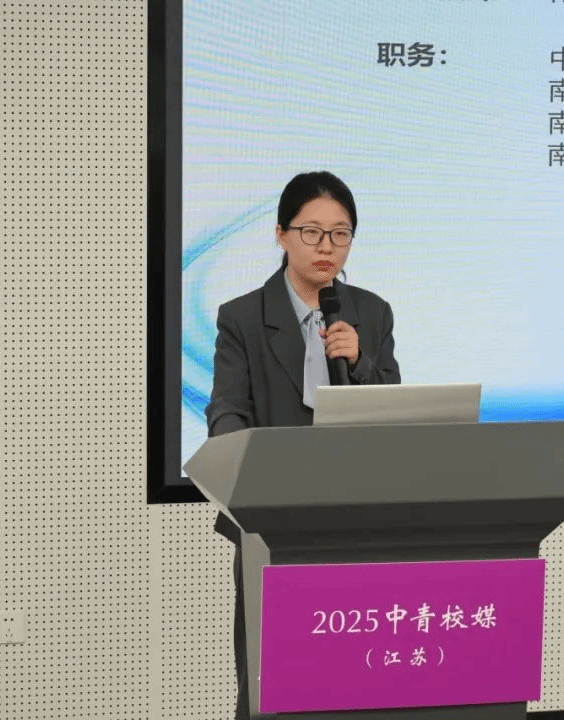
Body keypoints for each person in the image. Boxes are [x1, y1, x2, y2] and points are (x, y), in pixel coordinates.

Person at [204, 171, 401, 719]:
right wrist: (244, 469)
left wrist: (360, 363)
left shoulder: (372, 313)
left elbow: (395, 409)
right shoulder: (243, 317)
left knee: (355, 673)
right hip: (272, 517)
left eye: (341, 234)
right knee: (272, 674)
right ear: (281, 235)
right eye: (311, 232)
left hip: (358, 515)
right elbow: (226, 409)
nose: (326, 247)